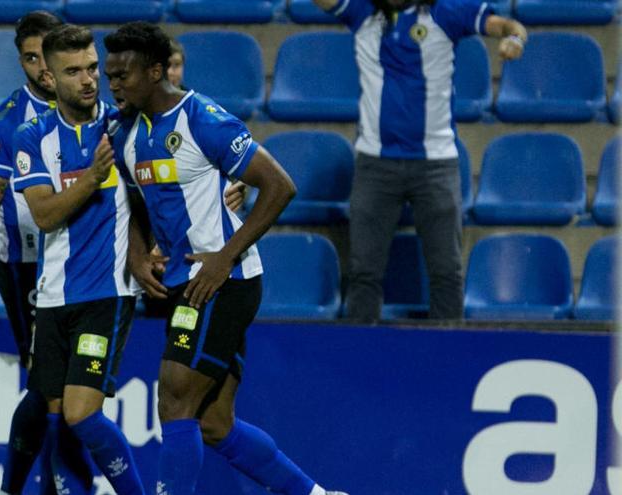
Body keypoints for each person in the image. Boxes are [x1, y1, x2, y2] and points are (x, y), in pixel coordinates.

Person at [104, 22, 347, 495]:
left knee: (174, 398)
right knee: (213, 423)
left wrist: (224, 257)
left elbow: (280, 185)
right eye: (110, 74)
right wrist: (136, 254)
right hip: (186, 277)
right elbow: (136, 201)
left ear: (155, 72)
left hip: (223, 279)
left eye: (123, 75)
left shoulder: (202, 118)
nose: (113, 84)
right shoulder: (125, 131)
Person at [312, 0, 527, 322]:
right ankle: (359, 352)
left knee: (446, 272)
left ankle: (447, 352)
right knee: (363, 272)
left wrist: (515, 40)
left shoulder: (448, 12)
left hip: (436, 165)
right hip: (375, 164)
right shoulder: (361, 11)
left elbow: (509, 26)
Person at [12, 24, 145, 495]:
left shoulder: (125, 126)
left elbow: (175, 178)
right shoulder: (31, 138)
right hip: (51, 299)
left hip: (106, 294)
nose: (89, 80)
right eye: (74, 71)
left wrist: (233, 189)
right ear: (49, 76)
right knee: (56, 420)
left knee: (81, 412)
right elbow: (44, 214)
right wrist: (91, 179)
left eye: (92, 68)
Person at [0, 11, 94, 495]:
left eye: (47, 55)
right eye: (30, 58)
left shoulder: (93, 106)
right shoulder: (2, 125)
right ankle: (46, 486)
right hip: (26, 269)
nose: (42, 67)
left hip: (89, 262)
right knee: (50, 387)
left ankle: (23, 487)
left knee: (60, 388)